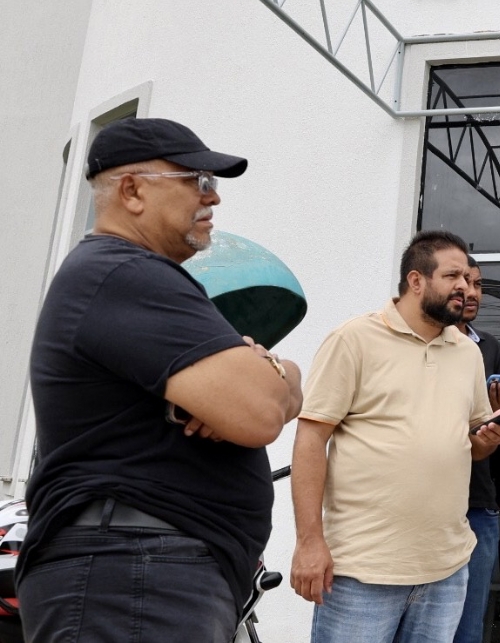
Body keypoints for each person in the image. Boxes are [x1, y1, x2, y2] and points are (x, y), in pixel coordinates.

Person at [17, 117, 304, 643]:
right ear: (132, 190)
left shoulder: (139, 278)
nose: (213, 198)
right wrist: (259, 379)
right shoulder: (124, 274)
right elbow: (262, 411)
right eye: (198, 181)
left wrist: (266, 373)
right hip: (131, 571)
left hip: (144, 570)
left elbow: (287, 383)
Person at [290, 230, 500, 643]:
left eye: (468, 279)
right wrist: (309, 542)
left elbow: (472, 444)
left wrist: (494, 436)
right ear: (416, 281)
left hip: (445, 570)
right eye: (453, 277)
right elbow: (310, 439)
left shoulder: (468, 352)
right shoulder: (353, 340)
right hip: (363, 571)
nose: (465, 288)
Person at [453, 256, 500, 643]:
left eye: (478, 284)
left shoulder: (487, 345)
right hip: (437, 500)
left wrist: (498, 407)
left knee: (470, 623)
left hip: (479, 497)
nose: (473, 292)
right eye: (463, 282)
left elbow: (484, 417)